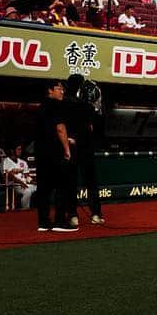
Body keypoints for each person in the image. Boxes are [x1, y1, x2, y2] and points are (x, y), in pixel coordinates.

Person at [34, 79, 75, 233]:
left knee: (44, 188)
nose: (62, 91)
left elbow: (46, 131)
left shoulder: (41, 107)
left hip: (41, 153)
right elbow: (60, 128)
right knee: (62, 187)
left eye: (62, 89)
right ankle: (60, 221)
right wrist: (67, 148)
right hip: (54, 153)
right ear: (50, 90)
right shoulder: (56, 105)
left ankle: (43, 222)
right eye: (59, 88)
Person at [64, 74, 105, 225]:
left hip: (73, 146)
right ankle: (95, 214)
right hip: (84, 145)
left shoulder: (65, 103)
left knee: (71, 181)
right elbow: (93, 125)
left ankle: (73, 215)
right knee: (91, 181)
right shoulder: (86, 105)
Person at [2, 144, 35, 209]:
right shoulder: (6, 161)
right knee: (27, 191)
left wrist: (32, 181)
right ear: (12, 151)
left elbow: (27, 176)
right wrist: (21, 183)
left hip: (24, 184)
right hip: (14, 185)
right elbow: (8, 175)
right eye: (18, 149)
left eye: (21, 149)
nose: (20, 151)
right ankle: (25, 209)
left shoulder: (23, 162)